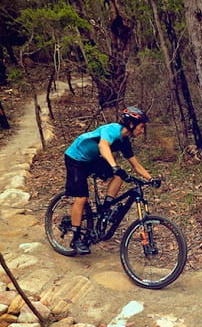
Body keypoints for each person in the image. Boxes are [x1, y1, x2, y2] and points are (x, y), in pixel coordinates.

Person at [63, 106, 155, 254]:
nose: (142, 130)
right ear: (131, 124)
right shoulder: (112, 129)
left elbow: (136, 165)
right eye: (141, 127)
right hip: (76, 158)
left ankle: (106, 207)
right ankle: (75, 238)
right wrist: (113, 165)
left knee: (120, 175)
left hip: (91, 159)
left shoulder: (124, 140)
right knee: (82, 197)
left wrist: (151, 179)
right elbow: (103, 145)